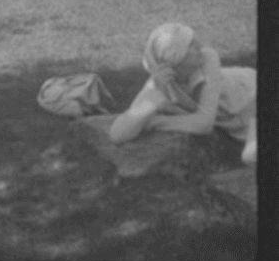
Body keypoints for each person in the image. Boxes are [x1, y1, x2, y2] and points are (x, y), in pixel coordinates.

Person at [109, 22, 256, 165]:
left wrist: (154, 122)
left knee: (250, 156)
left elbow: (204, 124)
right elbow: (117, 134)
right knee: (250, 156)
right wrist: (150, 105)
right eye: (191, 45)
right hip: (243, 118)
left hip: (252, 92)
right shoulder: (157, 86)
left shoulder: (208, 57)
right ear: (175, 57)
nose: (199, 46)